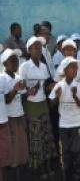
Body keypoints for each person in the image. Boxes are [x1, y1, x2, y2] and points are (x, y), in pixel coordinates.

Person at [19, 36, 57, 179]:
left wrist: (50, 87)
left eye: (40, 48)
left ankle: (48, 166)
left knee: (47, 136)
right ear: (29, 50)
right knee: (36, 139)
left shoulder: (43, 66)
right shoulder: (24, 67)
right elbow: (20, 89)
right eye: (35, 48)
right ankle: (40, 168)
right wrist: (28, 91)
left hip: (43, 105)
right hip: (32, 106)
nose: (39, 50)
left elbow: (46, 87)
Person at [49, 57, 80, 181]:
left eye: (76, 67)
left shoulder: (78, 85)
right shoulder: (59, 85)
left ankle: (77, 177)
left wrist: (75, 96)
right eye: (73, 67)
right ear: (65, 70)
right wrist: (58, 96)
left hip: (77, 124)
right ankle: (67, 177)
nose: (76, 70)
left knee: (77, 153)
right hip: (64, 125)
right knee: (65, 154)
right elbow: (51, 104)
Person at [1, 49, 28, 180]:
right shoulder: (2, 79)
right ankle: (13, 175)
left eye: (17, 60)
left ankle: (20, 174)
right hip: (10, 118)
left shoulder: (18, 77)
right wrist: (15, 90)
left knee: (21, 147)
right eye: (12, 60)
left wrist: (29, 91)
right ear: (5, 63)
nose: (16, 63)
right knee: (13, 148)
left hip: (20, 116)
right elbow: (6, 100)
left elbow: (22, 96)